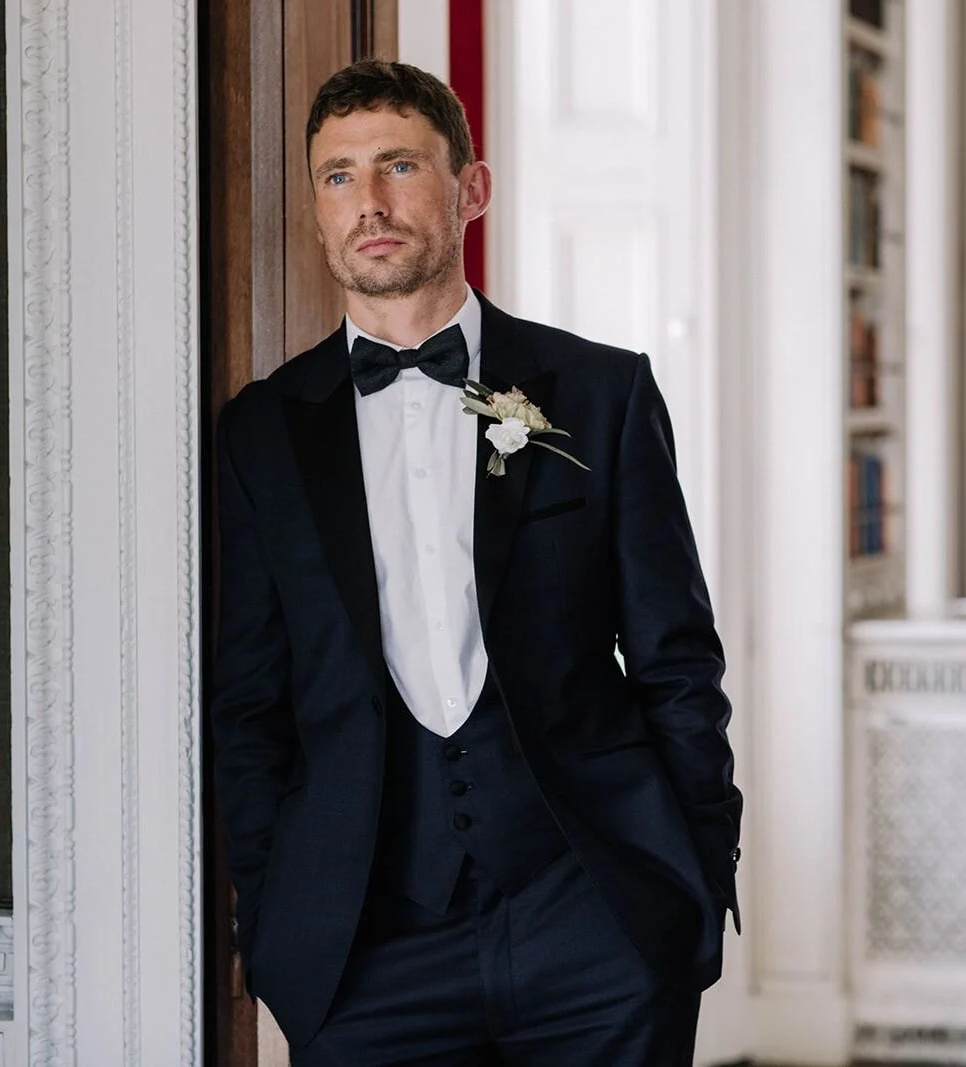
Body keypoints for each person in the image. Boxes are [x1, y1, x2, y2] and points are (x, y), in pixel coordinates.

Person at [210, 58, 741, 1067]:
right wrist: (273, 920)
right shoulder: (262, 433)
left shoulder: (600, 394)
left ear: (470, 187)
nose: (368, 202)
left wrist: (694, 878)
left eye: (399, 165)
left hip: (597, 931)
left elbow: (677, 661)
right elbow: (250, 702)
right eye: (337, 176)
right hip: (363, 955)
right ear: (317, 210)